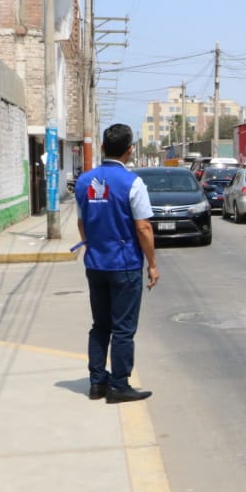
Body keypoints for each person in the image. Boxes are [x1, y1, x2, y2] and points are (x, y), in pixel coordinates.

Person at [75, 124, 159, 403]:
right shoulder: (132, 183)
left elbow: (81, 222)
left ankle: (97, 383)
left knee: (100, 325)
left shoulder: (84, 182)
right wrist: (152, 263)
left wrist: (92, 246)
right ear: (130, 150)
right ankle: (119, 385)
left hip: (96, 264)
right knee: (123, 328)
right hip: (124, 265)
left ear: (102, 147)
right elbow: (144, 228)